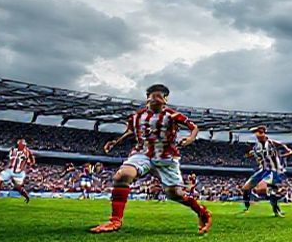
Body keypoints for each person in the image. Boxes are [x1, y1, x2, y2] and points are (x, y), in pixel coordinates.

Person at [89, 84, 212, 234]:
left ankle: (201, 212)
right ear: (147, 98)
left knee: (175, 194)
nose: (154, 99)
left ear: (165, 99)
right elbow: (130, 131)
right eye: (151, 96)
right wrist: (116, 142)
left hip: (166, 157)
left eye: (158, 96)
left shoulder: (173, 115)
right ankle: (115, 220)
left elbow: (194, 127)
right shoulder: (137, 116)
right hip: (142, 153)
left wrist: (190, 139)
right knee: (122, 175)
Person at [241, 126, 292, 217]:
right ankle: (246, 207)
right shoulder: (256, 146)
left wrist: (287, 152)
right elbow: (252, 153)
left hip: (274, 171)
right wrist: (249, 155)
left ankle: (277, 211)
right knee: (245, 188)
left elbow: (282, 145)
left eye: (259, 133)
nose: (257, 135)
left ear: (264, 133)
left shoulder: (271, 143)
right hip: (263, 170)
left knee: (266, 189)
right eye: (256, 133)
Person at [0, 139, 35, 204]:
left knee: (18, 187)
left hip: (19, 172)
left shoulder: (27, 151)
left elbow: (32, 160)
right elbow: (8, 158)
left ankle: (27, 197)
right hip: (10, 170)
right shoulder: (13, 150)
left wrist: (29, 162)